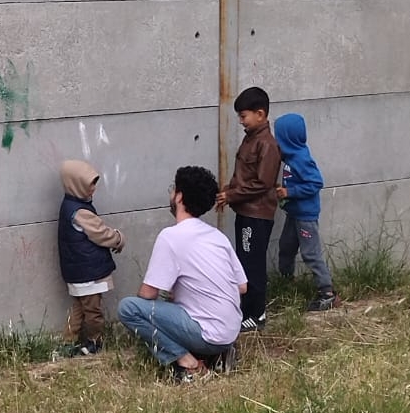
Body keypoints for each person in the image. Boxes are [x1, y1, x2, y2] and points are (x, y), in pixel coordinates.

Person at [118, 166, 246, 383]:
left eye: (173, 189)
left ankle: (188, 363)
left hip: (207, 334)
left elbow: (147, 294)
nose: (171, 194)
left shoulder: (170, 236)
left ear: (179, 196)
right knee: (174, 303)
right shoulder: (217, 236)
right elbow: (242, 286)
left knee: (128, 308)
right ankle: (219, 353)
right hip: (231, 330)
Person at [216, 86, 281, 332]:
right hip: (245, 212)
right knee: (243, 262)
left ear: (260, 114)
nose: (241, 121)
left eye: (244, 116)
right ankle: (245, 310)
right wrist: (228, 191)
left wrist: (231, 195)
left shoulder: (267, 144)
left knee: (252, 264)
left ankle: (257, 313)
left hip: (257, 216)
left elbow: (262, 183)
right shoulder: (250, 138)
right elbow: (243, 176)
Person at [57, 159, 125, 355]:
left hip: (77, 270)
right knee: (93, 311)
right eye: (89, 185)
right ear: (76, 185)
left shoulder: (69, 206)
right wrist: (118, 239)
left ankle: (68, 341)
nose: (93, 189)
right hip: (89, 272)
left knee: (79, 308)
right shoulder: (80, 212)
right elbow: (100, 233)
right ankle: (94, 341)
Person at [274, 113, 338, 311]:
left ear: (287, 138)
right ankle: (286, 282)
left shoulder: (301, 159)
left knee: (310, 253)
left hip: (305, 217)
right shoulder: (289, 158)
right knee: (286, 247)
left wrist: (290, 192)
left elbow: (316, 183)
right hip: (293, 214)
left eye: (278, 137)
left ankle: (327, 293)